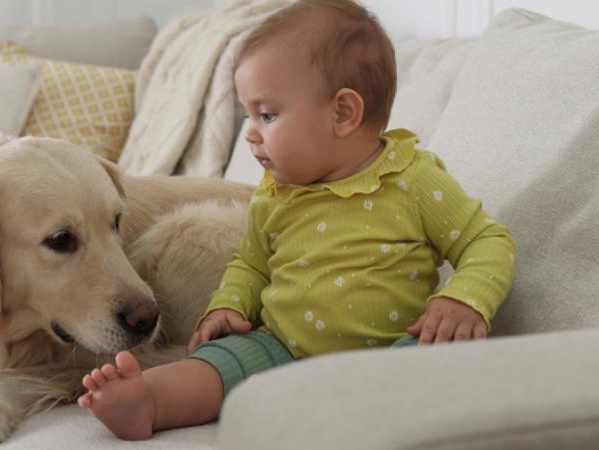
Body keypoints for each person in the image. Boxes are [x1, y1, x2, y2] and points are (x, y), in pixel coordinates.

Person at [77, 0, 516, 440]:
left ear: (343, 113)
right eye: (248, 115)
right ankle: (148, 400)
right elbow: (251, 265)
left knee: (434, 360)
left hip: (389, 352)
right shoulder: (275, 194)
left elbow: (487, 241)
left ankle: (351, 414)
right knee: (213, 365)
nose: (250, 132)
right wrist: (229, 304)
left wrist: (463, 299)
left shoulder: (412, 180)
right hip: (281, 346)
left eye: (266, 115)